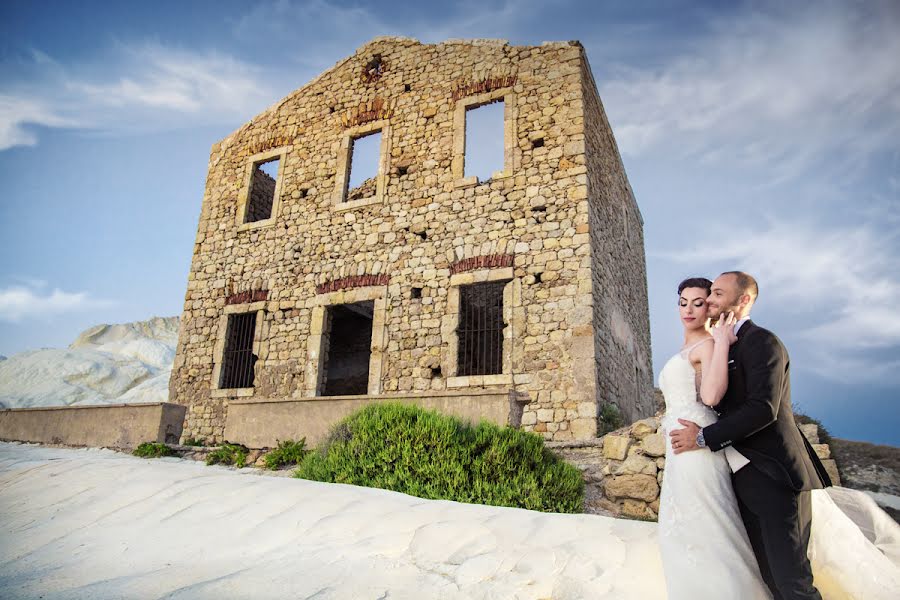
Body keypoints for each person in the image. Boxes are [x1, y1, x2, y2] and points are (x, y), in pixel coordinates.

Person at [667, 272, 900, 599]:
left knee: (793, 582)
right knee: (769, 580)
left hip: (774, 474)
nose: (710, 301)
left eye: (717, 294)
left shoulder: (762, 341)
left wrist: (704, 437)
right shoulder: (726, 344)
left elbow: (763, 408)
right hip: (742, 474)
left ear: (744, 299)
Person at [657, 276, 771, 599]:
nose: (689, 310)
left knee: (708, 526)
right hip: (678, 450)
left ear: (709, 306)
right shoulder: (685, 347)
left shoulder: (707, 344)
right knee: (683, 530)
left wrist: (720, 342)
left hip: (697, 449)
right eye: (683, 303)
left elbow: (710, 396)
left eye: (698, 303)